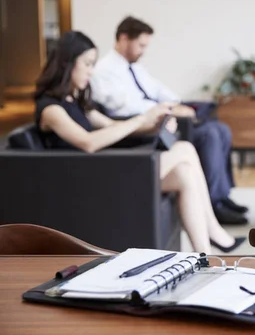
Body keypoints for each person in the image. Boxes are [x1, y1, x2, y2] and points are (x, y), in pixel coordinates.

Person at [34, 31, 245, 254]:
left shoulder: (76, 101)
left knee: (184, 173)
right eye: (87, 64)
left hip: (100, 171)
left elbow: (109, 126)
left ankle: (204, 256)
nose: (91, 71)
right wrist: (141, 119)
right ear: (67, 62)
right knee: (184, 149)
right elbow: (88, 143)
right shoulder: (51, 109)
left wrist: (153, 124)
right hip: (89, 182)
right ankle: (214, 230)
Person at [91, 16, 247, 225]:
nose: (143, 50)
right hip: (144, 124)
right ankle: (214, 203)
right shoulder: (104, 71)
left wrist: (177, 103)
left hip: (161, 115)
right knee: (209, 134)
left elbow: (156, 89)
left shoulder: (134, 67)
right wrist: (171, 110)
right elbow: (127, 107)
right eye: (141, 45)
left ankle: (221, 196)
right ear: (124, 38)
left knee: (221, 129)